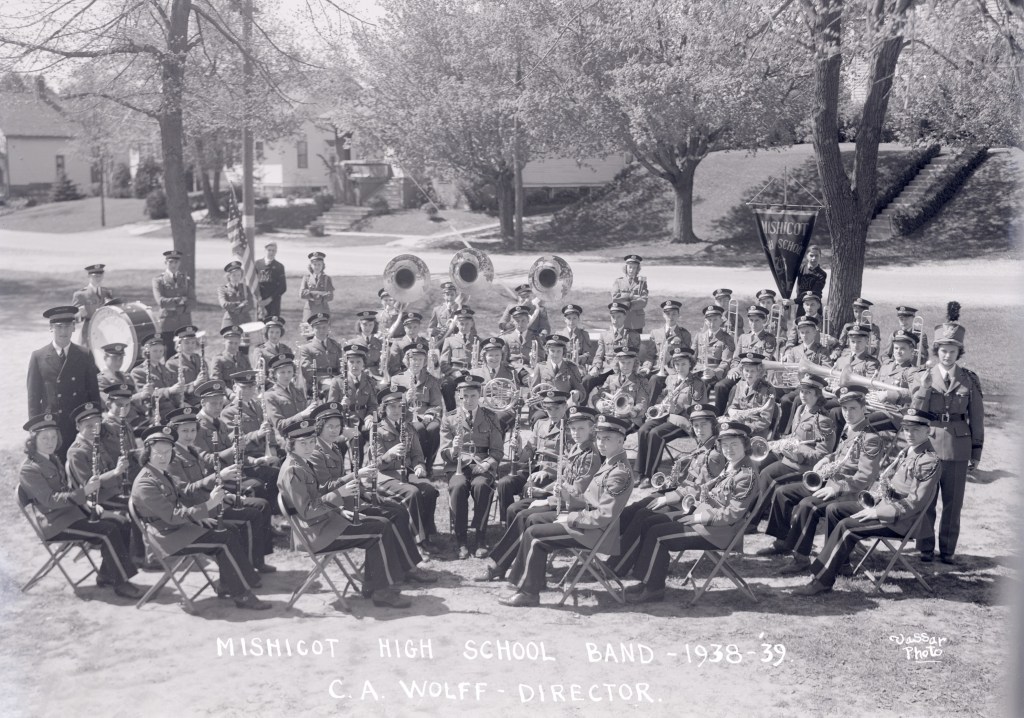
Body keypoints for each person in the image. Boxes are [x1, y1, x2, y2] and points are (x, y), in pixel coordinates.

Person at [793, 408, 941, 596]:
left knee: (847, 526)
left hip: (901, 520)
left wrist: (877, 512)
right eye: (906, 430)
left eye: (916, 430)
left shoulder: (928, 460)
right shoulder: (910, 451)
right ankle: (839, 564)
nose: (909, 434)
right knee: (834, 509)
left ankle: (822, 580)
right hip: (884, 505)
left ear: (928, 431)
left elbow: (915, 503)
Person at [277, 415, 414, 608]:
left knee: (381, 525)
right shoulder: (293, 470)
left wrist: (340, 511)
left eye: (310, 442)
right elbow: (308, 510)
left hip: (326, 523)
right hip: (316, 534)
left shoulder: (301, 462)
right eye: (302, 443)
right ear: (291, 445)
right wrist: (339, 495)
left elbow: (318, 495)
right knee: (380, 529)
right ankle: (381, 591)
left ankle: (374, 585)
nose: (308, 447)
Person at [499, 414, 634, 607]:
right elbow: (590, 500)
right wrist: (565, 497)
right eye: (599, 438)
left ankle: (529, 592)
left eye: (608, 439)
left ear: (621, 440)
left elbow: (603, 516)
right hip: (587, 523)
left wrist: (569, 518)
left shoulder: (619, 472)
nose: (602, 443)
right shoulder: (609, 463)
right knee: (534, 520)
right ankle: (532, 580)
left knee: (535, 535)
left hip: (595, 533)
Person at [132, 424, 270, 609]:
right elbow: (172, 517)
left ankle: (229, 584)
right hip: (167, 537)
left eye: (167, 452)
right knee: (224, 539)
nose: (163, 456)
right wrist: (208, 506)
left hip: (177, 528)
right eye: (158, 452)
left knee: (230, 529)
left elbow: (186, 491)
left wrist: (204, 508)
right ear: (147, 453)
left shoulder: (161, 473)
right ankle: (242, 594)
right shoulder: (146, 482)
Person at [620, 420, 756, 603]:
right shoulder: (732, 465)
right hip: (704, 520)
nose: (729, 449)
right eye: (725, 444)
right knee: (648, 522)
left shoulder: (746, 475)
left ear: (745, 445)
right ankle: (647, 580)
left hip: (717, 532)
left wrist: (698, 517)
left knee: (657, 534)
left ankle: (654, 589)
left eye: (734, 444)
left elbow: (732, 515)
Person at [758, 385, 886, 573]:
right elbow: (842, 455)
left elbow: (865, 477)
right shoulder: (851, 429)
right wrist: (827, 459)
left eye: (853, 408)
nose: (848, 413)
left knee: (808, 506)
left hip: (849, 492)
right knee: (783, 492)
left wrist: (836, 488)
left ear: (864, 409)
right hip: (832, 481)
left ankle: (801, 558)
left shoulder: (871, 438)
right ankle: (783, 541)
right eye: (844, 409)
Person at [306, 400, 434, 584]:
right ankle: (403, 570)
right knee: (386, 521)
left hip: (349, 501)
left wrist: (367, 493)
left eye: (337, 426)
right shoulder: (316, 452)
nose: (334, 431)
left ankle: (406, 566)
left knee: (398, 511)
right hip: (335, 511)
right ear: (319, 428)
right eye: (329, 427)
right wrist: (356, 475)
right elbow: (324, 489)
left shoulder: (332, 446)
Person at [19, 412, 141, 598]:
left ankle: (108, 575)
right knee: (107, 531)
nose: (50, 442)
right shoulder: (29, 468)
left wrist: (92, 506)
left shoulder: (52, 458)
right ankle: (121, 582)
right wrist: (84, 493)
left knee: (122, 522)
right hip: (56, 524)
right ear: (33, 441)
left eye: (53, 437)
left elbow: (68, 491)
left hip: (73, 514)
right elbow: (51, 501)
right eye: (44, 438)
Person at [476, 405, 601, 583]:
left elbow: (576, 493)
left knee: (524, 516)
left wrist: (546, 501)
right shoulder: (577, 449)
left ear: (592, 429)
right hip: (562, 501)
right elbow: (563, 481)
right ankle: (516, 563)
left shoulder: (588, 456)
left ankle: (502, 566)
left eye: (581, 428)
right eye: (573, 428)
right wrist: (544, 491)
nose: (576, 433)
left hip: (574, 509)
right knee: (516, 508)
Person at [164, 406, 276, 573]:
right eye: (184, 431)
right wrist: (219, 478)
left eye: (193, 430)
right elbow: (185, 491)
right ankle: (245, 567)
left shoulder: (191, 450)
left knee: (261, 504)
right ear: (174, 432)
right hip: (200, 511)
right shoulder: (172, 457)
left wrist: (226, 495)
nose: (189, 435)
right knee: (250, 516)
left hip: (212, 501)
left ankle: (252, 561)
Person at [909, 333, 983, 564]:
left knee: (953, 503)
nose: (947, 355)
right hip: (930, 444)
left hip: (958, 447)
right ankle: (925, 547)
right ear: (936, 352)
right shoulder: (925, 376)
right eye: (943, 351)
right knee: (926, 500)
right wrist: (924, 389)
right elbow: (915, 412)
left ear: (958, 353)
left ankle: (948, 550)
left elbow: (977, 418)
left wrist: (976, 452)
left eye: (952, 351)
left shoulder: (969, 379)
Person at [440, 375, 504, 558]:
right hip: (458, 465)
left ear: (480, 396)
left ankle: (480, 537)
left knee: (481, 486)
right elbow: (443, 452)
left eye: (473, 396)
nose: (469, 400)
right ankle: (461, 539)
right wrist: (453, 449)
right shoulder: (450, 419)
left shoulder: (491, 417)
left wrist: (486, 463)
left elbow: (498, 451)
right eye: (465, 396)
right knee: (458, 487)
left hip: (482, 464)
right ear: (459, 396)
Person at [27, 305, 101, 460]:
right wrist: (35, 428)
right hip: (53, 423)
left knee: (81, 461)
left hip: (79, 422)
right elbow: (33, 397)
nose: (63, 332)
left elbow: (93, 392)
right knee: (55, 463)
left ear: (74, 328)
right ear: (51, 328)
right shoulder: (38, 357)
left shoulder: (84, 354)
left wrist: (96, 421)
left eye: (67, 326)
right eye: (59, 327)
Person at [371, 386, 440, 551]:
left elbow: (417, 454)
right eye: (392, 407)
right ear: (384, 409)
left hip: (406, 473)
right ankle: (418, 541)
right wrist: (389, 454)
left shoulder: (408, 427)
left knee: (429, 490)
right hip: (385, 476)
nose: (396, 410)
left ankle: (429, 532)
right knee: (413, 493)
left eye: (400, 407)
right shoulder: (377, 430)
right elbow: (376, 463)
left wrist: (419, 466)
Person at [634, 347, 708, 485]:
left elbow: (697, 410)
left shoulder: (697, 383)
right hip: (666, 415)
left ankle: (650, 475)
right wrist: (658, 406)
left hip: (683, 421)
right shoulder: (670, 378)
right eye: (677, 364)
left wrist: (673, 415)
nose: (680, 367)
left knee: (656, 434)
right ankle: (639, 471)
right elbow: (663, 396)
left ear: (690, 364)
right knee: (643, 430)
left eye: (684, 364)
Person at [497, 389, 571, 523]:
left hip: (553, 474)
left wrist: (548, 471)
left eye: (556, 408)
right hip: (534, 468)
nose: (552, 413)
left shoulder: (571, 429)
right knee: (504, 483)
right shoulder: (540, 424)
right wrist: (519, 450)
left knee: (529, 486)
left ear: (565, 406)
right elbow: (528, 454)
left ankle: (523, 520)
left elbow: (570, 460)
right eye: (548, 409)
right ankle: (507, 522)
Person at [713, 305, 778, 414]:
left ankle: (731, 414)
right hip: (739, 371)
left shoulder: (769, 339)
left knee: (736, 389)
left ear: (764, 321)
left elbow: (765, 360)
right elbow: (736, 359)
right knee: (720, 386)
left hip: (756, 374)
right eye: (751, 320)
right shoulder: (743, 337)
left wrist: (748, 370)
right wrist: (733, 369)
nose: (753, 324)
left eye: (757, 320)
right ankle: (718, 416)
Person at [392, 344, 444, 472]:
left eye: (420, 359)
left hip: (427, 414)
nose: (417, 363)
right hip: (406, 415)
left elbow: (436, 403)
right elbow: (392, 404)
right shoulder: (397, 379)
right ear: (407, 360)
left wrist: (429, 415)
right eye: (414, 359)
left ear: (425, 361)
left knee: (434, 428)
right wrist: (405, 398)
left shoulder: (431, 379)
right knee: (418, 429)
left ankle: (429, 464)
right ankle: (416, 464)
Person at [129, 335, 183, 429]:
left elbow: (174, 393)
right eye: (155, 351)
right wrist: (169, 390)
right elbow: (146, 396)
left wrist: (180, 402)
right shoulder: (138, 372)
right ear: (146, 351)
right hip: (156, 412)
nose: (158, 354)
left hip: (172, 409)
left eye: (161, 351)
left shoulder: (166, 369)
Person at [589, 348, 650, 432]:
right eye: (622, 362)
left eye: (629, 362)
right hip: (610, 416)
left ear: (635, 364)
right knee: (594, 427)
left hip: (631, 420)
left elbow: (642, 404)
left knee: (610, 430)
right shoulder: (611, 378)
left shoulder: (642, 381)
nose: (626, 366)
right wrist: (599, 404)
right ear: (617, 363)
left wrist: (627, 412)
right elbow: (598, 395)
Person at [723, 352, 777, 439]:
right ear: (742, 371)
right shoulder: (740, 385)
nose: (749, 374)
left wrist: (748, 428)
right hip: (739, 426)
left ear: (759, 372)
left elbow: (765, 420)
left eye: (752, 371)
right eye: (746, 370)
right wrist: (732, 411)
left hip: (756, 432)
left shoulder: (768, 389)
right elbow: (734, 405)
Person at [529, 334, 586, 414]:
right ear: (547, 351)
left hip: (564, 408)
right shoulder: (540, 367)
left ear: (564, 352)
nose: (555, 354)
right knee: (537, 419)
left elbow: (582, 392)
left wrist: (577, 394)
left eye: (559, 351)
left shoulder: (571, 368)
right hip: (545, 409)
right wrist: (537, 400)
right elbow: (533, 392)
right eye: (552, 351)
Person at [152, 250, 194, 356]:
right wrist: (180, 300)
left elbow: (193, 302)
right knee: (169, 356)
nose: (173, 265)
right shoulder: (159, 280)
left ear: (179, 263)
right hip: (168, 324)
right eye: (171, 262)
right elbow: (161, 302)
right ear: (165, 263)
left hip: (184, 323)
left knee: (185, 354)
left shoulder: (185, 280)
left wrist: (175, 306)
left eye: (176, 262)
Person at [263, 353, 310, 446]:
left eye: (289, 372)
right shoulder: (270, 395)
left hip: (303, 434)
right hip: (286, 439)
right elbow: (279, 425)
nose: (286, 375)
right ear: (274, 374)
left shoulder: (297, 391)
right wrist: (301, 415)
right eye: (282, 372)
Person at [691, 304, 735, 391]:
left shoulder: (727, 338)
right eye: (709, 320)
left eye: (715, 320)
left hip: (715, 372)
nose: (712, 323)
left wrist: (714, 372)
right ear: (705, 321)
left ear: (721, 320)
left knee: (701, 384)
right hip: (698, 370)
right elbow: (692, 356)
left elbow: (726, 362)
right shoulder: (699, 336)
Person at [298, 312, 342, 396]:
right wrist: (321, 380)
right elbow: (307, 371)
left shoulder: (335, 345)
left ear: (328, 327)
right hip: (317, 383)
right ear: (312, 329)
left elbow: (340, 365)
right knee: (331, 389)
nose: (321, 331)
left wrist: (340, 377)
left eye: (324, 327)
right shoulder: (306, 348)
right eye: (318, 328)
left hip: (336, 379)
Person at [72, 264, 114, 349]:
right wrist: (80, 314)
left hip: (105, 328)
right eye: (95, 276)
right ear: (89, 276)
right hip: (89, 329)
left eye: (100, 275)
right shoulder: (80, 294)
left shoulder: (106, 292)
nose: (98, 278)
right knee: (88, 355)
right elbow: (74, 318)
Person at [165, 325, 209, 407]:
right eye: (186, 343)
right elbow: (174, 390)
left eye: (193, 342)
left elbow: (208, 381)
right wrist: (195, 384)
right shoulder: (172, 364)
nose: (190, 346)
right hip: (187, 402)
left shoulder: (199, 359)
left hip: (204, 399)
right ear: (179, 344)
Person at [610, 254, 649, 338]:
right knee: (620, 343)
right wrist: (632, 296)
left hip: (636, 321)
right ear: (626, 268)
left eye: (634, 268)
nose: (631, 270)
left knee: (636, 344)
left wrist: (629, 304)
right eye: (630, 267)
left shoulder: (642, 283)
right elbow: (615, 298)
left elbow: (643, 301)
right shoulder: (619, 281)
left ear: (638, 269)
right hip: (621, 319)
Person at [217, 260, 256, 330]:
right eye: (234, 275)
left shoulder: (245, 288)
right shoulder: (223, 289)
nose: (236, 277)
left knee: (247, 340)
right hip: (230, 320)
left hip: (245, 320)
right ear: (229, 276)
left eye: (238, 275)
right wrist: (240, 304)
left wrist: (240, 310)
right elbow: (224, 304)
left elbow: (251, 304)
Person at [255, 241, 287, 319]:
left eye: (273, 250)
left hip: (273, 301)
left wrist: (269, 299)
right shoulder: (257, 264)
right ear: (265, 250)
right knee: (259, 324)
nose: (271, 252)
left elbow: (282, 287)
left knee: (273, 323)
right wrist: (259, 298)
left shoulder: (279, 266)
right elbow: (253, 283)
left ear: (276, 251)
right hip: (260, 300)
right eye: (269, 250)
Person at [299, 251, 334, 323]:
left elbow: (330, 296)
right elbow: (302, 294)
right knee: (308, 331)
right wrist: (321, 294)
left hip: (323, 309)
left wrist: (311, 293)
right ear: (311, 265)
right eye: (314, 264)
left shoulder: (327, 278)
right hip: (309, 309)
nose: (317, 267)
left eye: (319, 264)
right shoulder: (306, 278)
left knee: (323, 331)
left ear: (323, 265)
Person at [794, 244, 827, 309]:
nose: (814, 258)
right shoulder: (801, 269)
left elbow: (813, 294)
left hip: (814, 306)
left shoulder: (822, 274)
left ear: (820, 256)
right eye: (811, 255)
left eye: (816, 256)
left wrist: (794, 301)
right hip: (801, 305)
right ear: (807, 256)